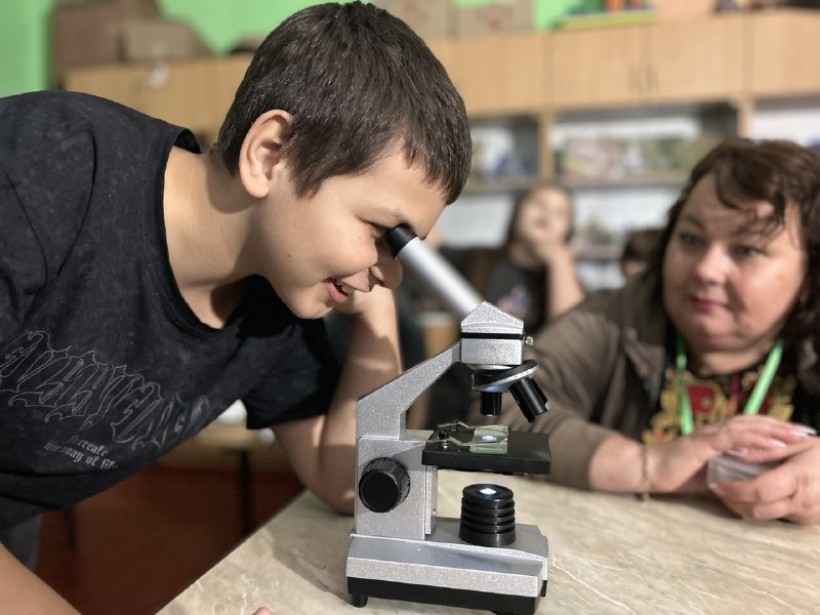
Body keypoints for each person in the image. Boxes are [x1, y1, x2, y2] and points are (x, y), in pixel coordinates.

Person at [0, 2, 471, 611]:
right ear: (270, 153)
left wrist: (376, 317)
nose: (392, 268)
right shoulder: (43, 167)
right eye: (384, 232)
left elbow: (347, 483)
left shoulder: (274, 297)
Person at [475, 138, 820, 525]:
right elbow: (497, 406)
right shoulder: (616, 317)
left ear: (809, 274)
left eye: (746, 250)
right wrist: (644, 463)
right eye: (691, 239)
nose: (706, 269)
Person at [425, 182, 585, 428]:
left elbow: (572, 331)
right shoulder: (480, 259)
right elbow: (427, 247)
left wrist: (559, 259)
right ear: (518, 212)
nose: (546, 214)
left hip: (521, 404)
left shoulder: (564, 280)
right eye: (538, 204)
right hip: (457, 396)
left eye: (560, 213)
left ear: (569, 229)